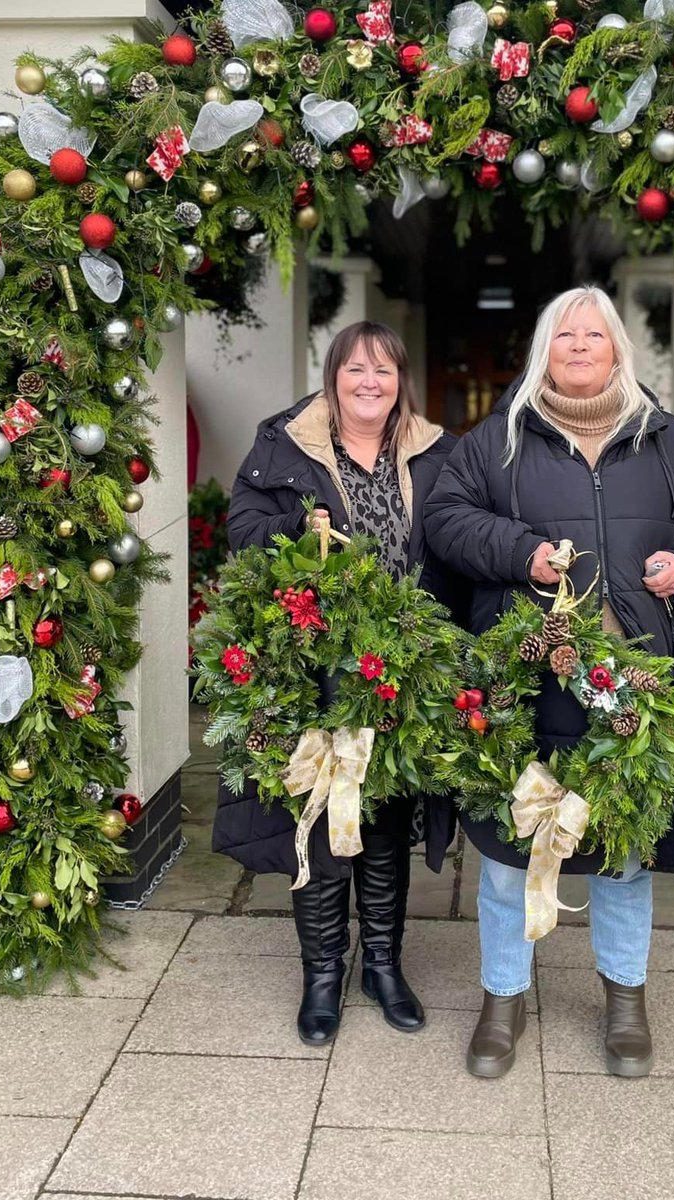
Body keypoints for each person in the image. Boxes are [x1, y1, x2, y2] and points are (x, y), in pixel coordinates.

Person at [423, 285, 674, 1079]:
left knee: (626, 853)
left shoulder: (669, 441)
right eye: (563, 332)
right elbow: (446, 518)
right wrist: (519, 551)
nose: (578, 344)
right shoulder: (495, 440)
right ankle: (503, 1000)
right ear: (543, 348)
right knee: (506, 856)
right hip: (523, 691)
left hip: (632, 693)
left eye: (593, 333)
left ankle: (626, 1002)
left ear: (616, 349)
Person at [213, 321, 464, 1046]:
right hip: (316, 668)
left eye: (384, 371)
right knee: (321, 820)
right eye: (356, 368)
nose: (369, 382)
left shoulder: (434, 452)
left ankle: (382, 965)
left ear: (400, 383)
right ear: (334, 377)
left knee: (384, 821)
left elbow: (457, 542)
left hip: (399, 673)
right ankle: (322, 971)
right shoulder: (285, 446)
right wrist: (297, 523)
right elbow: (244, 534)